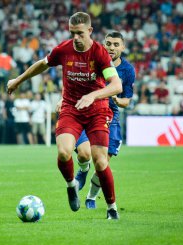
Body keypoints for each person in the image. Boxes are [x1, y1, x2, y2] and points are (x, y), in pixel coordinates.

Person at [7, 12, 122, 219]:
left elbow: (116, 85)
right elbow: (42, 64)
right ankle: (72, 185)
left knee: (100, 161)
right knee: (63, 152)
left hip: (97, 111)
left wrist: (93, 95)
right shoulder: (64, 49)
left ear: (89, 31)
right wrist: (18, 80)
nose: (75, 38)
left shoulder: (100, 54)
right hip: (71, 108)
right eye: (72, 33)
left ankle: (112, 208)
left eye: (79, 33)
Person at [70, 31, 135, 215]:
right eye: (109, 44)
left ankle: (91, 197)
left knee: (103, 162)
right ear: (103, 44)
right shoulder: (94, 59)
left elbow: (126, 102)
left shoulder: (127, 71)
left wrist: (114, 97)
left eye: (116, 44)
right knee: (84, 154)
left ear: (123, 47)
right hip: (87, 111)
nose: (112, 48)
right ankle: (83, 169)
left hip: (111, 116)